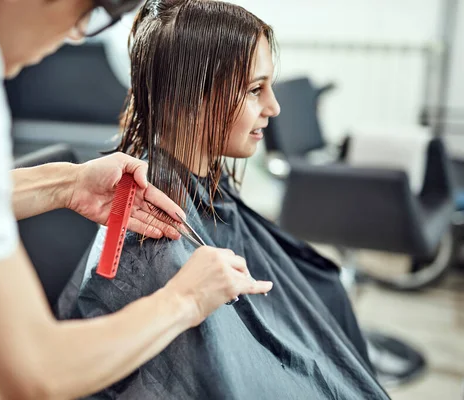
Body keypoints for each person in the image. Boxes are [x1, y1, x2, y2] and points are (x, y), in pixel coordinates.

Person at [0, 0, 273, 399]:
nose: (76, 34)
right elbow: (33, 377)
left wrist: (67, 184)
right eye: (84, 12)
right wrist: (185, 299)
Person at [67, 0, 389, 398]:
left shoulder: (207, 193)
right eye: (256, 89)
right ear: (191, 98)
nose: (274, 107)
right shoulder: (151, 238)